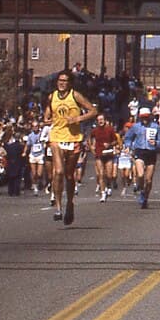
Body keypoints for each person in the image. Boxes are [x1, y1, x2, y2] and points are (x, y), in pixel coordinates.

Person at [45, 70, 97, 224]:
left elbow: (93, 111)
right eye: (60, 80)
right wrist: (47, 120)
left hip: (73, 138)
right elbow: (47, 115)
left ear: (70, 83)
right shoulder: (51, 96)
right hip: (56, 137)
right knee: (59, 172)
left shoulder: (75, 96)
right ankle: (58, 208)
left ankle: (69, 203)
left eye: (65, 81)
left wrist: (77, 118)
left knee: (69, 175)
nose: (62, 83)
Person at [123, 105, 160, 208]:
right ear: (140, 117)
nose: (145, 119)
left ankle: (145, 197)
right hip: (140, 151)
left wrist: (155, 143)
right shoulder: (136, 127)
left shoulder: (155, 127)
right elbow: (128, 137)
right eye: (143, 117)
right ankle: (140, 188)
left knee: (149, 179)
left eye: (147, 117)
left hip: (151, 153)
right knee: (141, 174)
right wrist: (128, 146)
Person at [90, 113, 119, 202]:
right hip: (99, 154)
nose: (100, 121)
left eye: (102, 119)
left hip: (108, 154)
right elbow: (90, 139)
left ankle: (109, 185)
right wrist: (92, 147)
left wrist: (109, 144)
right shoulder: (95, 131)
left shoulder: (110, 129)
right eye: (99, 120)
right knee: (101, 174)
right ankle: (103, 193)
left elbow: (115, 141)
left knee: (109, 175)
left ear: (105, 120)